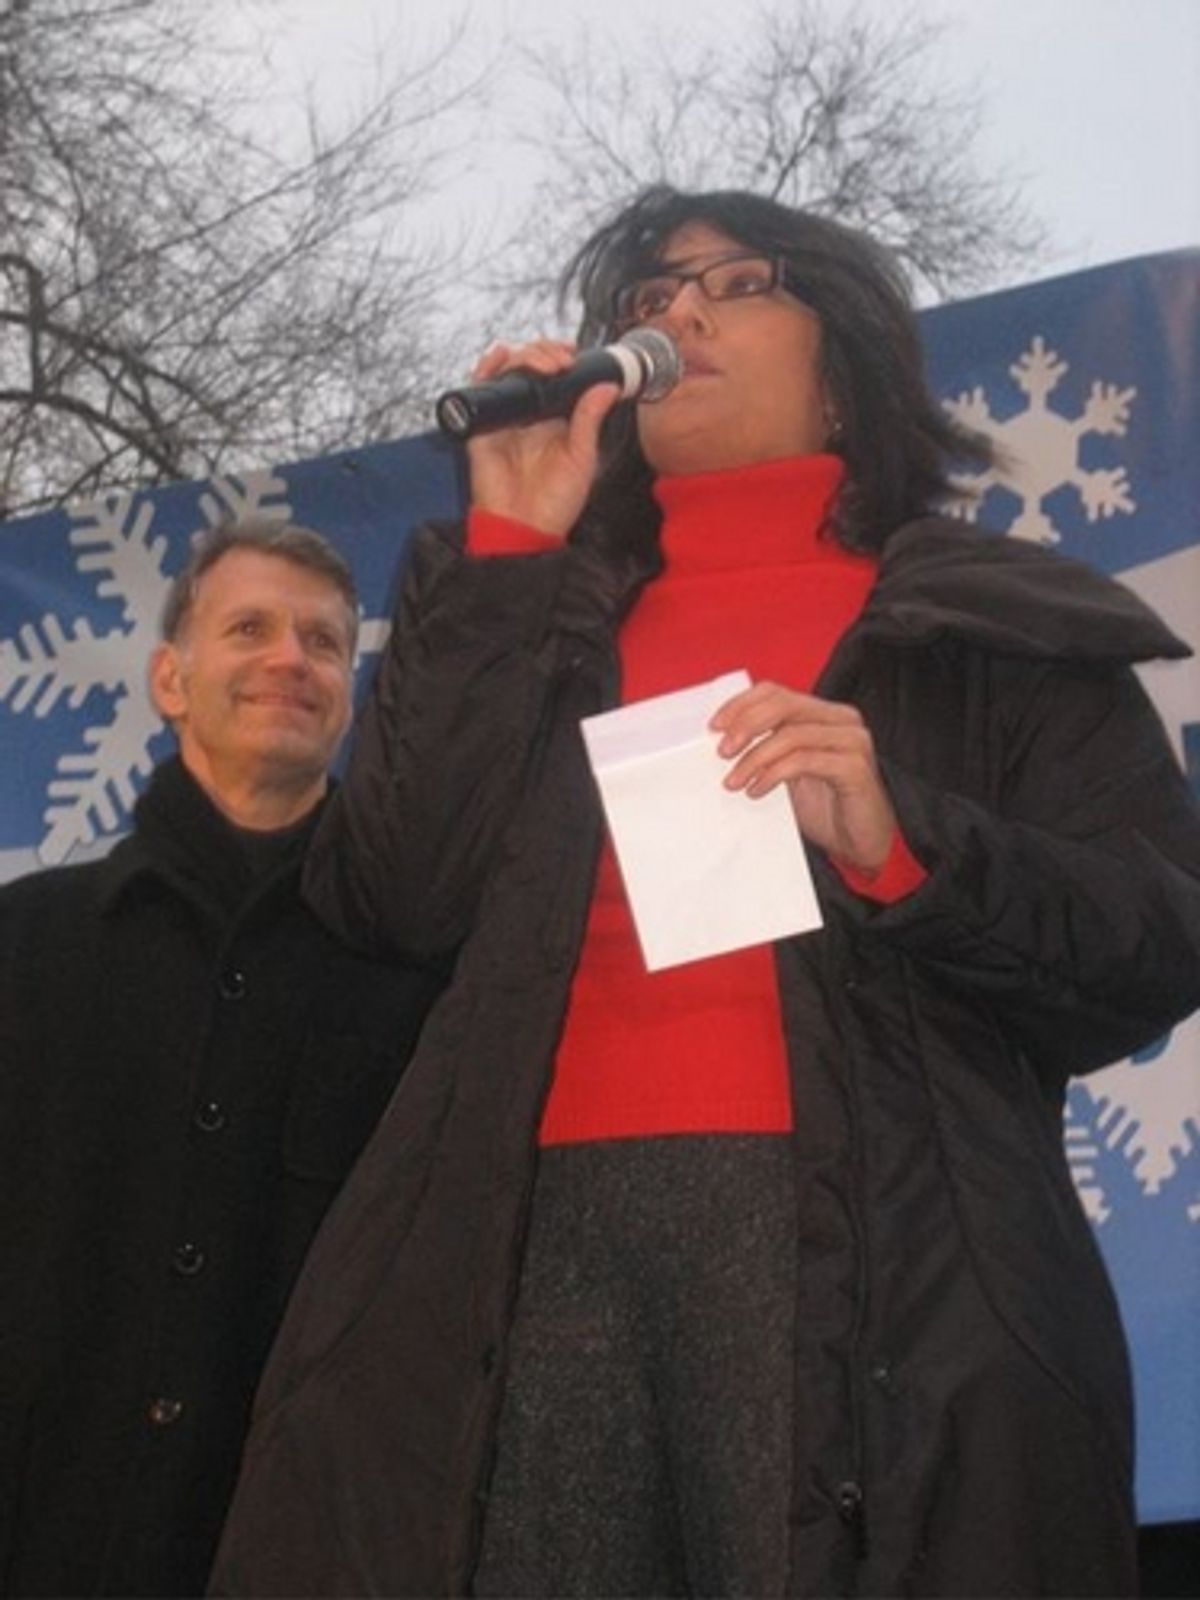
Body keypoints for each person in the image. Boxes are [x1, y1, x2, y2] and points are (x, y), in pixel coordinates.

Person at [212, 188, 1200, 1599]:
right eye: (648, 300)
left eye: (734, 286)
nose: (675, 316)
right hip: (522, 1244)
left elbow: (1156, 936)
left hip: (863, 1261)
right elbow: (392, 895)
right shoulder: (538, 606)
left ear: (848, 363)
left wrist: (903, 842)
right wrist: (505, 552)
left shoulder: (998, 625)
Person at [0, 519, 442, 1597]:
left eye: (325, 642)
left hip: (299, 1555)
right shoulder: (24, 945)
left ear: (349, 693)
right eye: (249, 627)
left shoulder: (420, 982)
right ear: (170, 678)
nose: (291, 658)